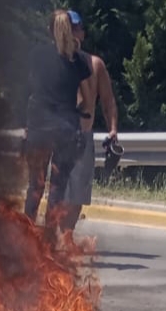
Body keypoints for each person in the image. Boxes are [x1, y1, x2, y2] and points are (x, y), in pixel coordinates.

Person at [22, 9, 93, 236]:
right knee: (57, 188)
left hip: (38, 128)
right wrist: (77, 112)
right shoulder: (78, 60)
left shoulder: (36, 55)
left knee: (35, 186)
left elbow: (30, 90)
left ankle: (26, 236)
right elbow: (88, 100)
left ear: (49, 30)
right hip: (65, 131)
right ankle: (49, 239)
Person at [62, 13, 119, 231]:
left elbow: (108, 101)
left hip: (83, 137)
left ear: (82, 33)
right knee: (56, 195)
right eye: (68, 28)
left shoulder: (95, 65)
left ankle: (66, 236)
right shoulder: (54, 61)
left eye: (76, 28)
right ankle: (52, 239)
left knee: (77, 197)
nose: (73, 32)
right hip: (58, 136)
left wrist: (113, 130)